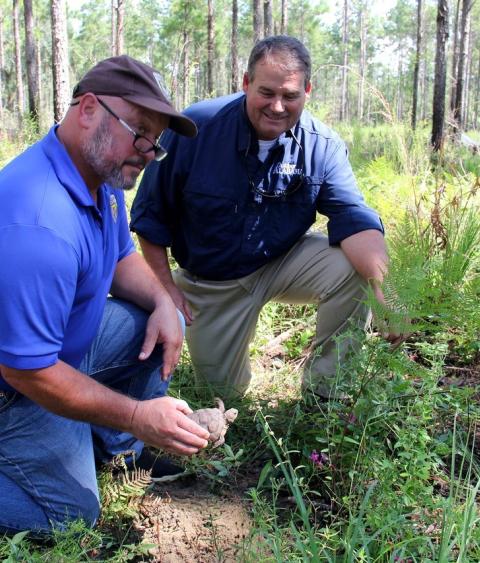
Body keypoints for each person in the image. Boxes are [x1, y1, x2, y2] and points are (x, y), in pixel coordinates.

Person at [0, 55, 210, 535]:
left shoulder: (102, 176)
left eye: (154, 141)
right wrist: (137, 414)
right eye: (138, 130)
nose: (146, 151)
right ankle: (107, 431)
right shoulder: (38, 224)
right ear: (89, 108)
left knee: (161, 318)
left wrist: (162, 300)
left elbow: (119, 259)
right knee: (69, 515)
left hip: (58, 350)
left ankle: (118, 448)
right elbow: (26, 371)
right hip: (15, 389)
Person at [130, 36, 403, 400]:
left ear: (307, 90)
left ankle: (325, 394)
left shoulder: (322, 146)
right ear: (245, 83)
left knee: (356, 268)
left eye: (290, 96)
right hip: (214, 283)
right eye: (266, 92)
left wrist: (389, 291)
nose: (277, 106)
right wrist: (165, 287)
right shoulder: (198, 128)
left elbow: (354, 218)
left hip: (281, 261)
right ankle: (223, 379)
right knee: (220, 395)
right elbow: (151, 216)